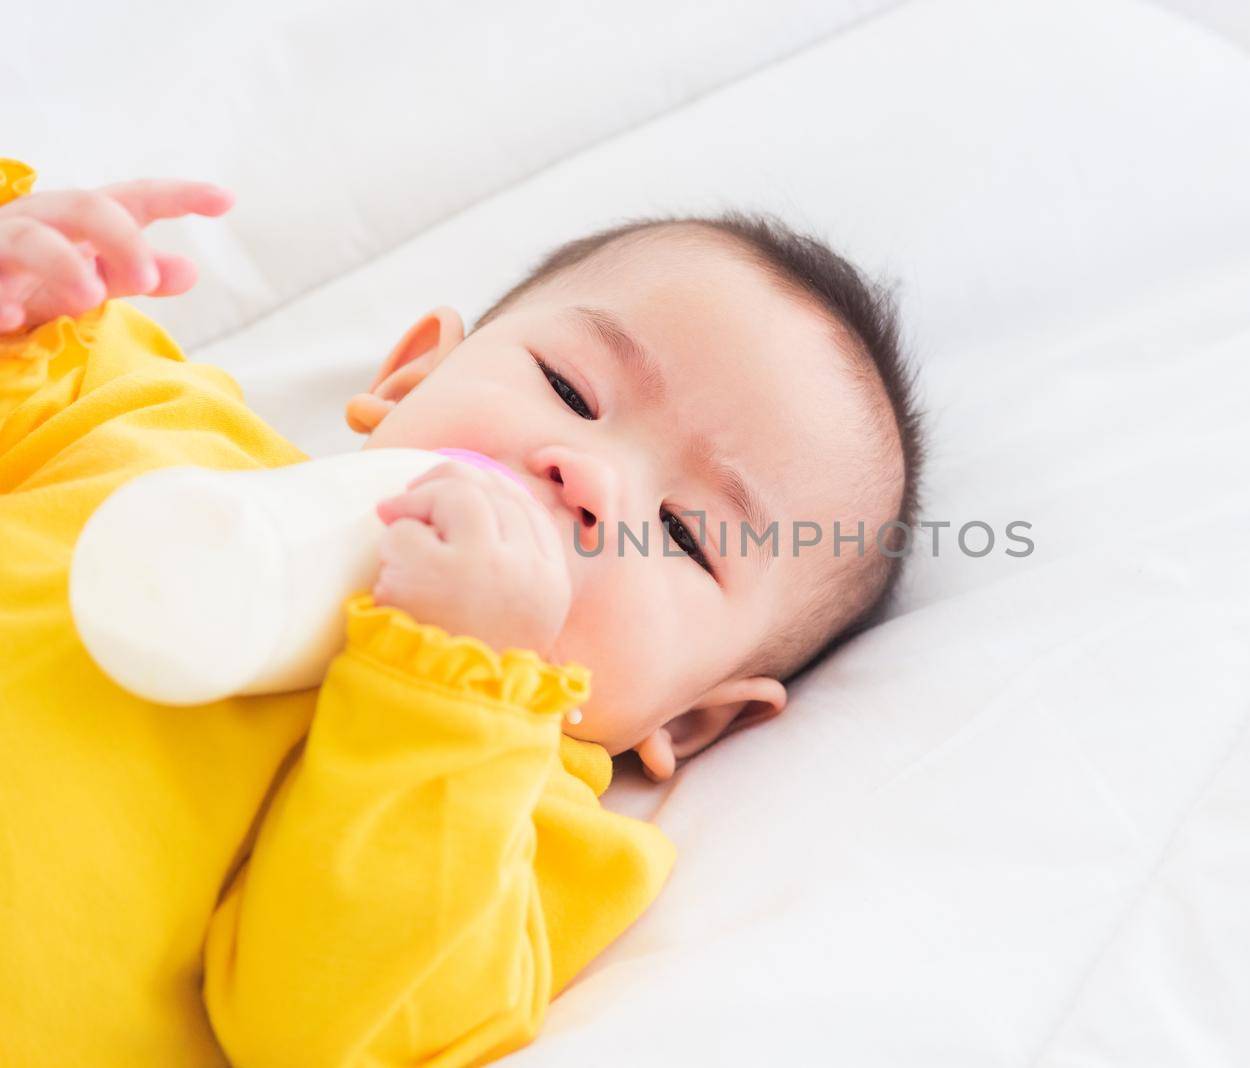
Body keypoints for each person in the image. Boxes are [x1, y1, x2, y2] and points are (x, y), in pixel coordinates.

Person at [0, 156, 925, 1065]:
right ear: (408, 378)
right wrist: (24, 291)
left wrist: (446, 696)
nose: (590, 477)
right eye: (570, 392)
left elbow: (326, 1032)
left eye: (685, 533)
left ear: (689, 717)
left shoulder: (516, 820)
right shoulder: (161, 425)